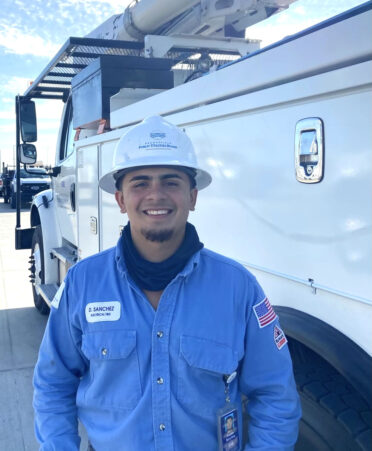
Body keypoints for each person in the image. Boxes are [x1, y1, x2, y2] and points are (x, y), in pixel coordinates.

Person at [33, 115, 301, 450]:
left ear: (192, 197)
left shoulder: (239, 289)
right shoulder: (82, 285)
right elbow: (53, 385)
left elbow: (275, 395)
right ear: (120, 200)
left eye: (171, 182)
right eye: (140, 183)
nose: (155, 195)